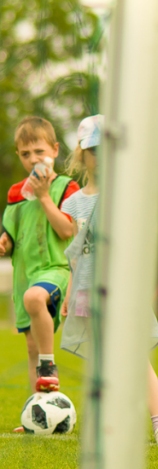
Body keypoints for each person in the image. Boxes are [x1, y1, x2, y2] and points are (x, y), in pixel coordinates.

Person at [58, 115, 158, 444]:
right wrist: (69, 295)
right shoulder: (73, 202)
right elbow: (76, 255)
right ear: (82, 152)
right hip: (86, 291)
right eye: (95, 150)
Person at [0, 116, 79, 411]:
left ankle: (49, 366)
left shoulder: (66, 187)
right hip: (25, 275)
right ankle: (40, 410)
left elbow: (67, 231)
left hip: (55, 270)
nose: (33, 159)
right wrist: (4, 242)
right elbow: (10, 232)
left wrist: (44, 196)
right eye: (25, 153)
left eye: (39, 151)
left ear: (55, 150)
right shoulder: (15, 192)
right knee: (31, 347)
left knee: (36, 298)